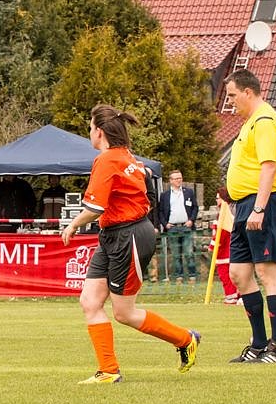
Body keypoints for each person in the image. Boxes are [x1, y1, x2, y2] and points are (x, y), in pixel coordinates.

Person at [60, 104, 200, 384]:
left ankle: (185, 339)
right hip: (114, 234)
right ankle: (108, 371)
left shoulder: (108, 160)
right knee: (90, 301)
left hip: (129, 235)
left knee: (124, 313)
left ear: (99, 131)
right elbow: (146, 178)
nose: (89, 132)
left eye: (90, 127)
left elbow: (95, 207)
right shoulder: (129, 158)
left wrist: (74, 223)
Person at [223, 69, 276, 363]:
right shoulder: (249, 123)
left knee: (269, 273)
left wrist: (259, 207)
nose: (230, 101)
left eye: (232, 95)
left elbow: (269, 167)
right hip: (244, 207)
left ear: (248, 91)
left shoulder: (265, 120)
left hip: (263, 205)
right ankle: (258, 344)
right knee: (239, 274)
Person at [159, 170, 199, 283]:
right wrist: (165, 224)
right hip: (172, 228)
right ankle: (179, 277)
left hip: (186, 226)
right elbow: (161, 211)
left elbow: (195, 207)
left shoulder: (189, 192)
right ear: (170, 181)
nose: (178, 180)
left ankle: (192, 276)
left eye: (180, 178)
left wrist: (191, 220)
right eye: (176, 178)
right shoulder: (165, 196)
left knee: (189, 252)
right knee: (176, 254)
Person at [209, 188, 239, 305]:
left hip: (224, 254)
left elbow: (220, 235)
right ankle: (238, 296)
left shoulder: (223, 215)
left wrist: (212, 247)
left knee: (226, 277)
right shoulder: (231, 213)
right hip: (231, 252)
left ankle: (231, 297)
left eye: (218, 198)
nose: (216, 201)